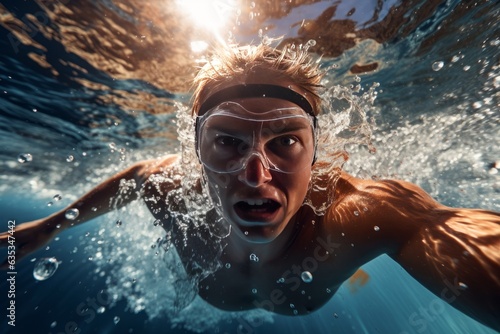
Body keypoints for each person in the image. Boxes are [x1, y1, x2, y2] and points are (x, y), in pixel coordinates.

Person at [1, 44, 499, 331]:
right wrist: (47, 228)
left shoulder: (362, 214)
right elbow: (134, 177)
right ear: (196, 149)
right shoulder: (172, 189)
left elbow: (445, 228)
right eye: (226, 141)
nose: (255, 175)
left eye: (285, 140)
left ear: (316, 152)